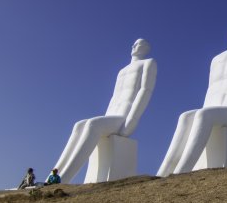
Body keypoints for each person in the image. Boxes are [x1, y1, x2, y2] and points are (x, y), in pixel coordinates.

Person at [157, 24, 227, 176]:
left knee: (202, 115)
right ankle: (165, 170)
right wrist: (205, 109)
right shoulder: (216, 59)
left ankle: (182, 170)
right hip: (212, 106)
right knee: (185, 116)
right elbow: (211, 88)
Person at [52, 38, 157, 183]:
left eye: (140, 44)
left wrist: (132, 119)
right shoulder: (122, 71)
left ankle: (63, 179)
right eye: (134, 43)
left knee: (92, 125)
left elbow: (145, 91)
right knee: (79, 125)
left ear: (146, 48)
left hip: (124, 115)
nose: (135, 46)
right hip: (112, 113)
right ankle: (53, 176)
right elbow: (114, 96)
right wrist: (105, 117)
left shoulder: (148, 63)